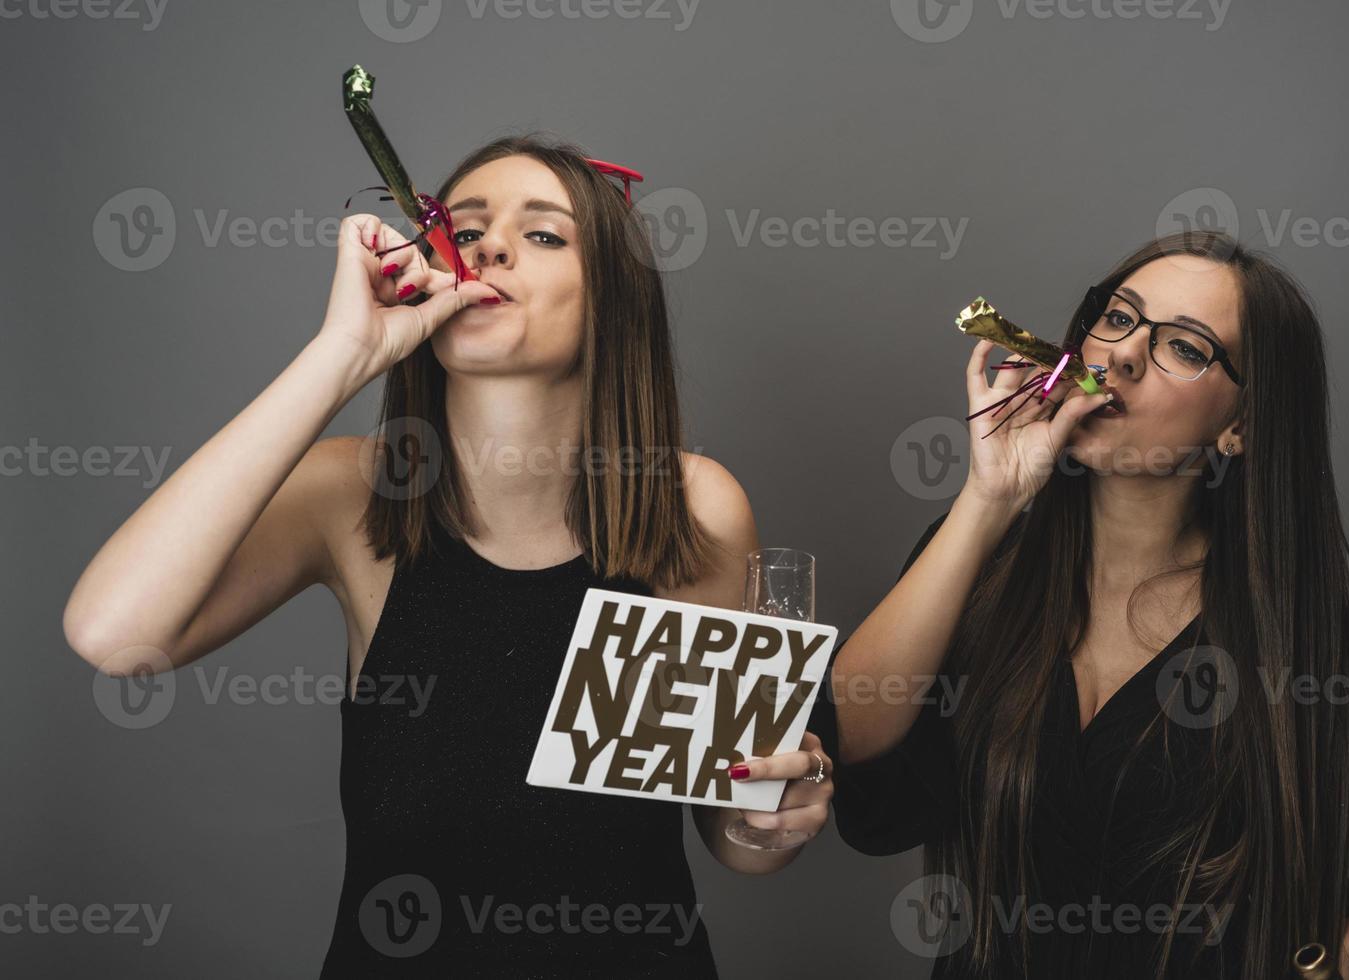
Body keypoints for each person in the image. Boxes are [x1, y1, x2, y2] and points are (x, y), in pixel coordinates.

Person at [63, 134, 832, 978]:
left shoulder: (689, 507)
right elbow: (113, 632)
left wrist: (771, 812)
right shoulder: (353, 497)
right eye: (462, 231)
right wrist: (341, 357)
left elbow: (740, 840)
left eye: (543, 234)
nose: (488, 246)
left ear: (612, 299)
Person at [817, 231, 1349, 979]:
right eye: (1118, 318)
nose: (1125, 354)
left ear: (1239, 425)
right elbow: (845, 737)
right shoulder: (979, 559)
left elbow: (1270, 865)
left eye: (1187, 349)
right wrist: (987, 500)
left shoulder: (1276, 616)